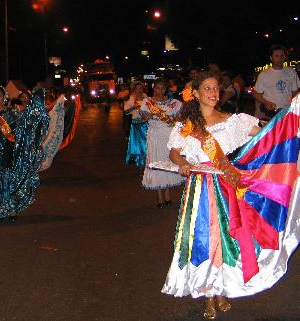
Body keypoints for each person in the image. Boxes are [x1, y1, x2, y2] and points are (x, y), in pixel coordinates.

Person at [162, 71, 300, 319]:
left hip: (226, 186)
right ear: (194, 93)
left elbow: (269, 134)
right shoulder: (186, 127)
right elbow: (174, 152)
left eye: (216, 88)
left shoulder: (233, 121)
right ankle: (207, 293)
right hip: (200, 189)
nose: (213, 93)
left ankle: (221, 288)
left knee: (226, 238)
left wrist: (291, 114)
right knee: (203, 240)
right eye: (206, 88)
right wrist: (182, 162)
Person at [0, 85, 49, 221]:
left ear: (4, 97)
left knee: (6, 179)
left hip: (7, 150)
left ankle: (9, 209)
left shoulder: (12, 113)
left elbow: (23, 129)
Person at [140, 78, 184, 208]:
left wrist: (173, 119)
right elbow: (143, 117)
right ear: (153, 88)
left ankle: (167, 195)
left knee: (168, 162)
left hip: (169, 135)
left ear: (166, 89)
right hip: (155, 135)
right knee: (157, 162)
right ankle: (159, 196)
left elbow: (179, 119)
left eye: (162, 88)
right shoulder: (148, 102)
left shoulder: (174, 103)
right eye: (157, 88)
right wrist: (149, 114)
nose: (160, 90)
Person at [253, 44, 300, 119]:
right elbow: (256, 93)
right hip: (271, 114)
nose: (280, 58)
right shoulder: (264, 74)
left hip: (287, 112)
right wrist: (266, 103)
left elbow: (295, 92)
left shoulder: (291, 72)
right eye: (276, 56)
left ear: (284, 57)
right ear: (271, 58)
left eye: (282, 56)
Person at [124, 81, 149, 168]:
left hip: (147, 124)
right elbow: (126, 111)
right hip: (137, 125)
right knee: (139, 145)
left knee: (147, 144)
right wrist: (133, 107)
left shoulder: (146, 98)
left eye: (140, 88)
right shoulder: (131, 99)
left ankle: (147, 163)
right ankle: (140, 164)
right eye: (137, 88)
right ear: (134, 90)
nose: (139, 90)